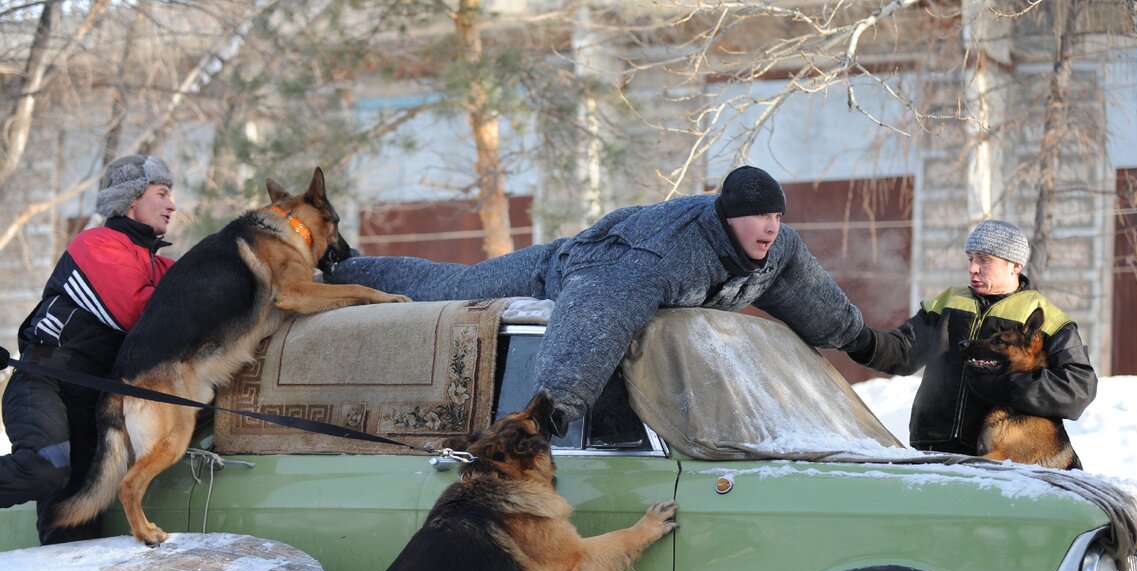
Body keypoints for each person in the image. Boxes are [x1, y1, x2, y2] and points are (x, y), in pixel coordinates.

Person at [327, 165, 871, 433]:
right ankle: (343, 266)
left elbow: (812, 300)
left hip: (606, 271)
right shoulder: (660, 255)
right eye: (760, 217)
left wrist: (870, 344)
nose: (771, 228)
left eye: (778, 216)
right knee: (456, 290)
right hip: (566, 270)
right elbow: (594, 323)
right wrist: (553, 408)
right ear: (728, 217)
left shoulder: (775, 249)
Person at [0, 154, 177, 544]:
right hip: (45, 382)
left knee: (72, 532)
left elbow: (202, 292)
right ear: (131, 199)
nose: (172, 204)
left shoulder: (156, 265)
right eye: (161, 193)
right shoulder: (96, 245)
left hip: (92, 405)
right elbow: (137, 311)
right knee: (45, 467)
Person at [844, 219, 1097, 456]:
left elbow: (1078, 387)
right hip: (932, 449)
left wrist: (1010, 386)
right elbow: (902, 352)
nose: (973, 268)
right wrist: (859, 339)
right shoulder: (947, 303)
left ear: (1015, 266)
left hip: (1000, 458)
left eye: (984, 260)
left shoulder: (1046, 319)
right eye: (970, 258)